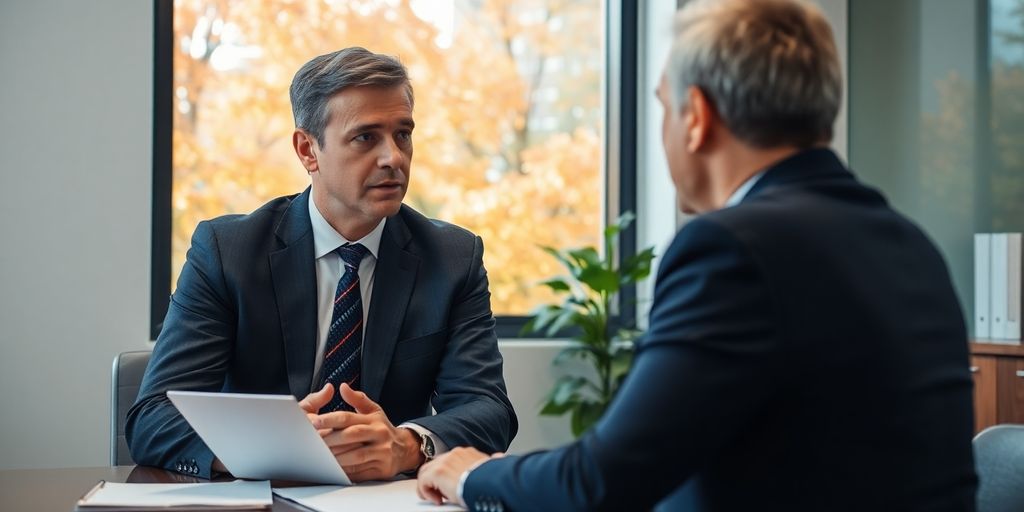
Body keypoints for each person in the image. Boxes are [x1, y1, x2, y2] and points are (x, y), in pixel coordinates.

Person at [417, 0, 978, 510]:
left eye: (663, 105)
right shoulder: (911, 243)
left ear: (697, 118)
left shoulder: (734, 249)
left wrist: (476, 476)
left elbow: (600, 482)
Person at [126, 47, 517, 481]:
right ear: (307, 149)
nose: (394, 158)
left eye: (402, 134)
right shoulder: (227, 251)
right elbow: (153, 417)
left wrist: (406, 444)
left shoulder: (452, 258)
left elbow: (489, 410)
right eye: (366, 137)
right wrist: (273, 445)